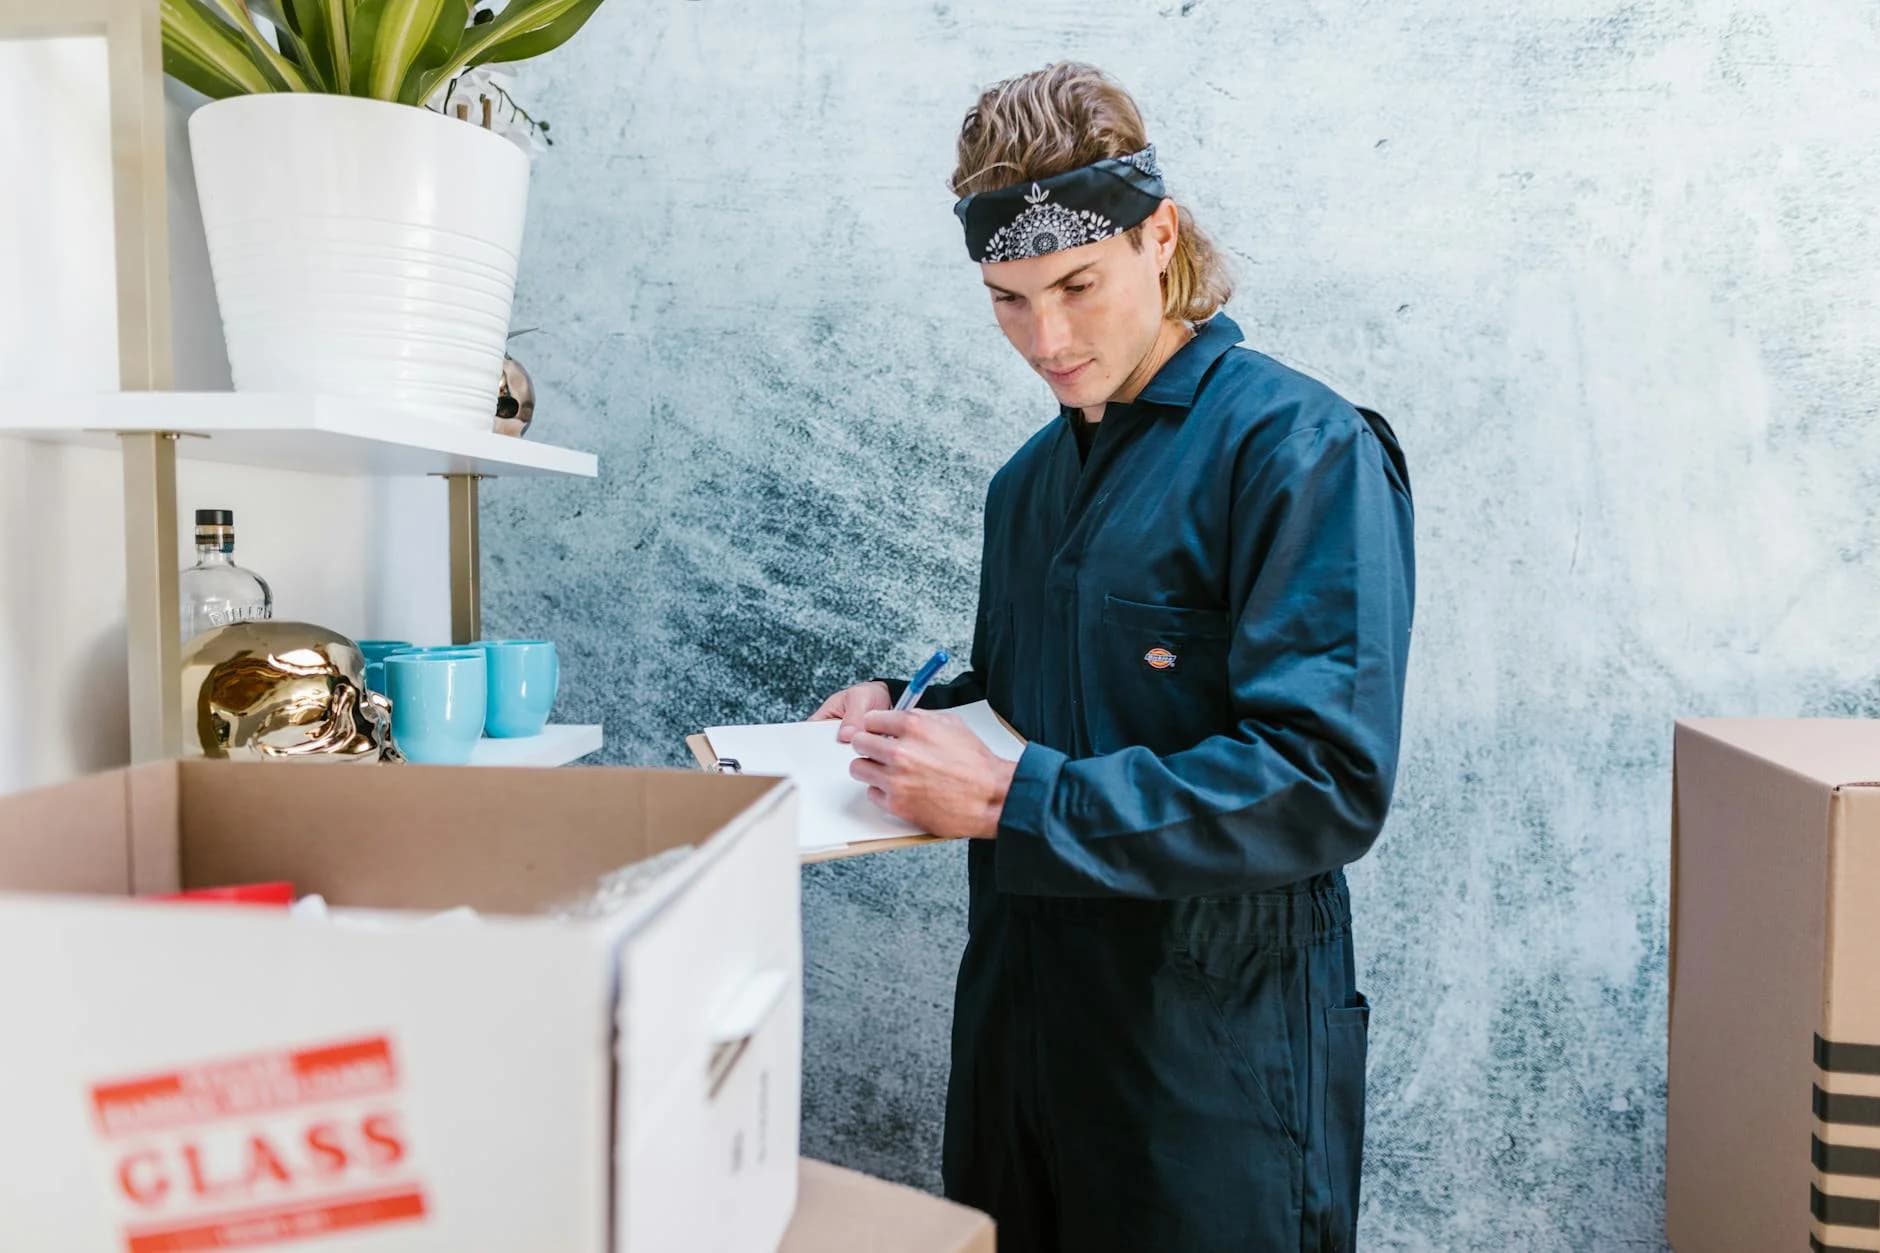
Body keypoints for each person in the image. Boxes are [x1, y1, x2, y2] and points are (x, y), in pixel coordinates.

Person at [811, 61, 1415, 1253]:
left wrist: (1012, 795)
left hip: (1208, 1062)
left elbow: (1323, 777)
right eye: (1006, 297)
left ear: (1159, 237)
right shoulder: (1026, 484)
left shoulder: (1302, 450)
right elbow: (1055, 696)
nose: (1045, 336)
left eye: (1077, 284)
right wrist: (907, 703)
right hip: (1018, 1042)